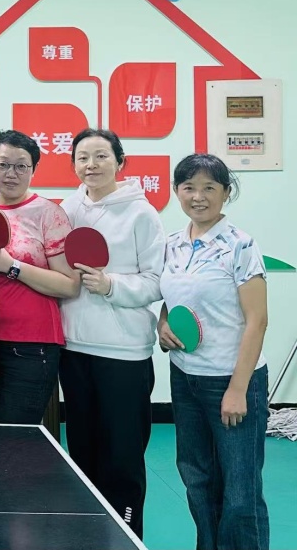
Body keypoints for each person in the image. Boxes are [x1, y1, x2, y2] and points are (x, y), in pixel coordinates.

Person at [158, 154, 269, 550]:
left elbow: (257, 320)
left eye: (209, 188)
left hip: (232, 379)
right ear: (177, 191)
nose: (198, 196)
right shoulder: (172, 245)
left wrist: (238, 389)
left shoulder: (240, 245)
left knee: (240, 491)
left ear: (226, 192)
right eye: (189, 187)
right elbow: (173, 299)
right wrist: (162, 324)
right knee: (198, 479)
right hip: (185, 378)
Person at [59, 129, 165, 539]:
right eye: (83, 157)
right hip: (74, 349)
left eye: (101, 156)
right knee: (82, 454)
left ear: (120, 162)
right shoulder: (67, 210)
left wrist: (111, 285)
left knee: (122, 458)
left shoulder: (142, 214)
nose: (91, 165)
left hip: (124, 354)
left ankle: (127, 536)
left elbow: (156, 281)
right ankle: (87, 537)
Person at [0, 129, 80, 424]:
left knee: (14, 438)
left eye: (21, 166)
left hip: (32, 346)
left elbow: (69, 285)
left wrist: (11, 266)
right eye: (3, 164)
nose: (11, 174)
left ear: (33, 169)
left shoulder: (49, 214)